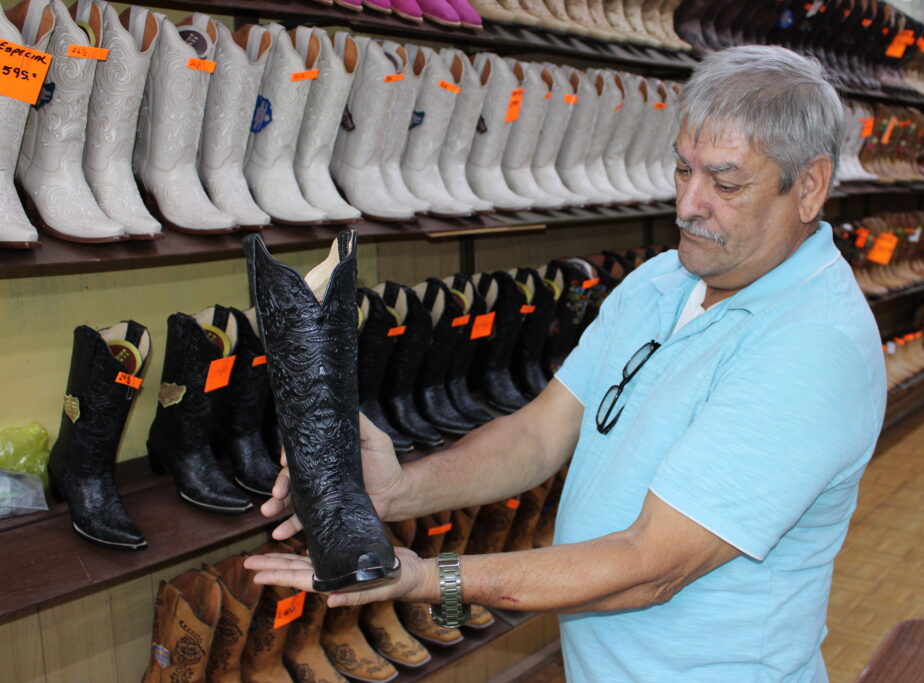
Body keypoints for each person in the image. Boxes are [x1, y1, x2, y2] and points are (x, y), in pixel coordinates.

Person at [246, 45, 887, 681]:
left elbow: (652, 566)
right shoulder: (663, 280)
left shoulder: (812, 347)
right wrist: (402, 488)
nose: (689, 205)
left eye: (725, 183)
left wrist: (422, 580)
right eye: (682, 170)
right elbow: (541, 431)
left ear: (809, 188)